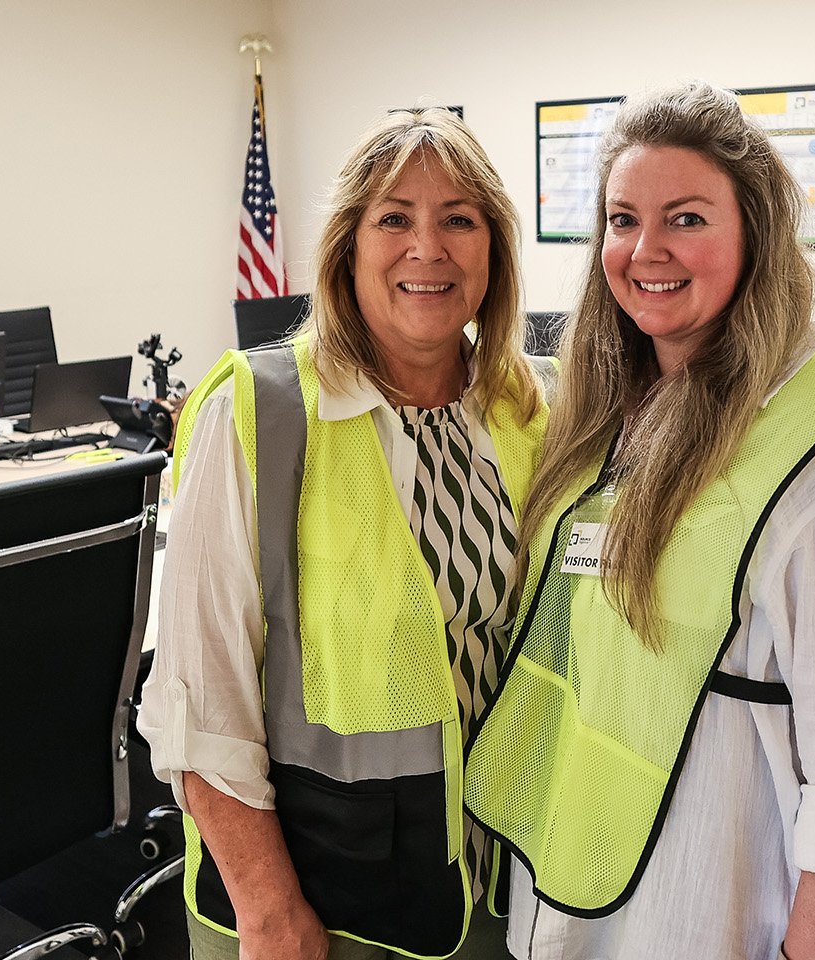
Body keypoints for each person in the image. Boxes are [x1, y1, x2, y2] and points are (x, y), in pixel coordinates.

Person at [464, 81, 815, 960]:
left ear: (756, 235)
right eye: (621, 219)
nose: (645, 249)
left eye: (686, 218)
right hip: (569, 888)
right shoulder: (605, 411)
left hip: (708, 911)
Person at [138, 107, 551, 960]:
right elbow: (199, 699)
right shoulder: (257, 412)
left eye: (459, 220)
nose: (426, 248)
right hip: (322, 907)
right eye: (393, 218)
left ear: (494, 251)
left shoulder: (525, 407)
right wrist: (270, 911)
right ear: (347, 247)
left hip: (496, 885)